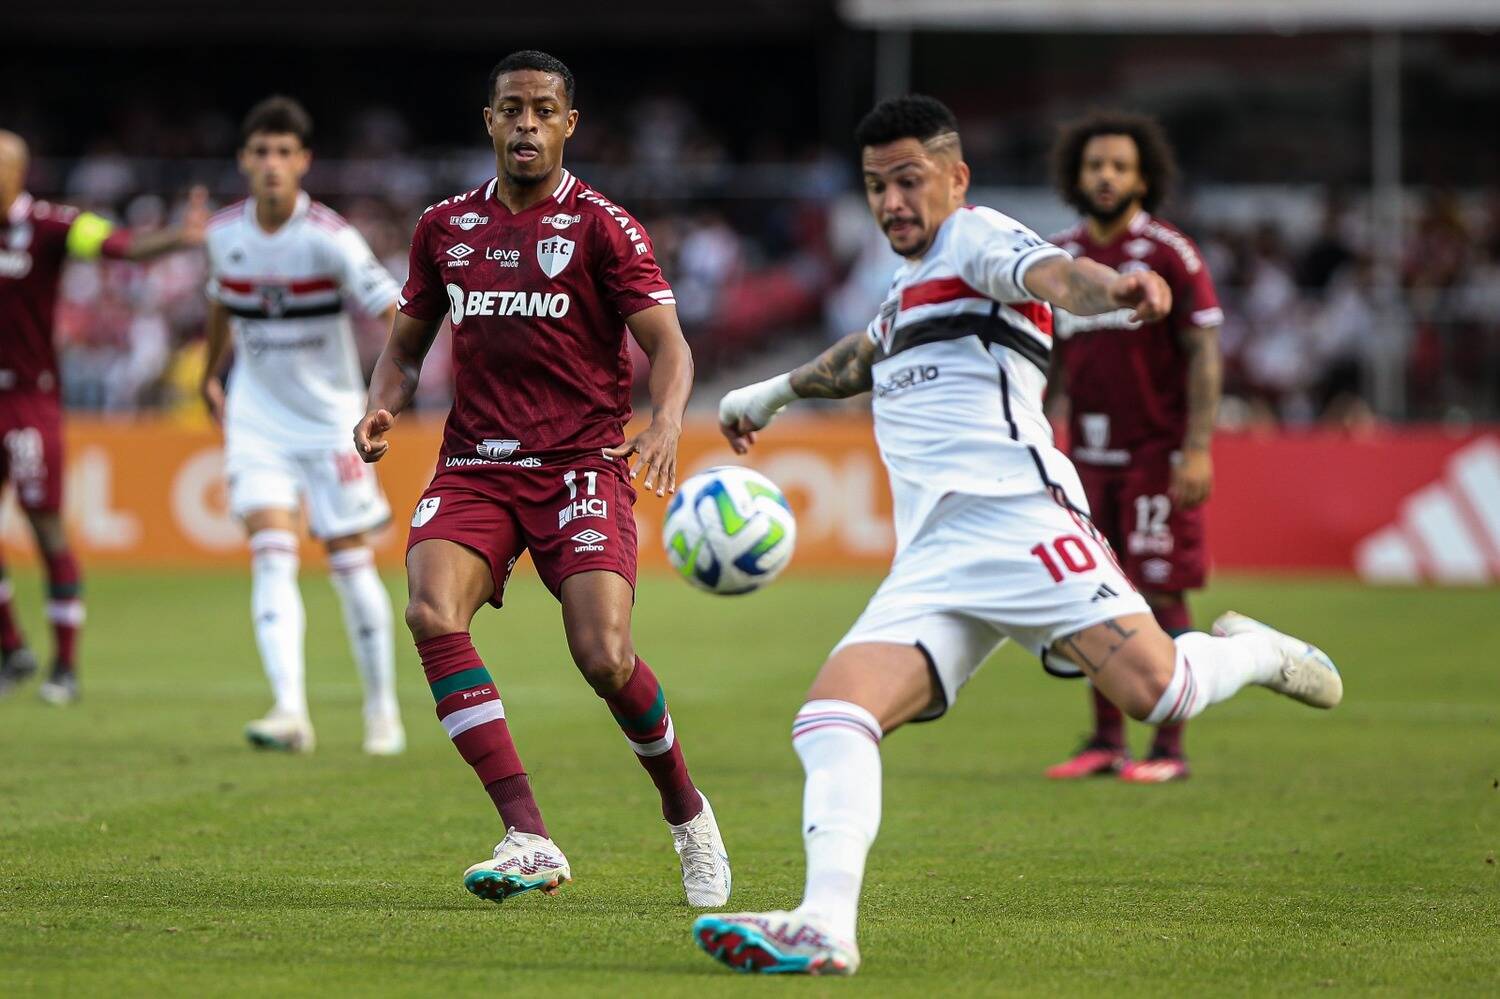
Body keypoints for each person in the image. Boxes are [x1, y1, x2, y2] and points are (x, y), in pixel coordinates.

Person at [696, 95, 1341, 977]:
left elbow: (1057, 276)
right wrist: (768, 394)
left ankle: (1257, 651)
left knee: (1163, 693)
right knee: (832, 716)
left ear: (955, 179)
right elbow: (861, 353)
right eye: (876, 185)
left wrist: (1115, 292)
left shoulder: (978, 238)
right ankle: (824, 923)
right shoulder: (906, 286)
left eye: (910, 180)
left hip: (1021, 523)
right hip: (933, 558)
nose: (892, 202)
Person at [353, 50, 730, 907]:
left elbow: (669, 344)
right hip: (477, 466)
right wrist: (382, 404)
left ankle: (685, 809)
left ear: (569, 124)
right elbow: (404, 349)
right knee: (426, 609)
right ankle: (528, 833)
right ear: (488, 121)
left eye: (542, 111)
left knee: (603, 656)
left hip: (580, 467)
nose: (526, 124)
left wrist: (667, 419)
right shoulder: (444, 226)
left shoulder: (604, 226)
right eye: (511, 109)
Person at [201, 96, 405, 756]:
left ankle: (382, 710)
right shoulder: (224, 234)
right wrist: (211, 369)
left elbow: (396, 310)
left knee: (349, 564)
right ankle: (290, 707)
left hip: (328, 423)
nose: (271, 164)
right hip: (257, 420)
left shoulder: (330, 237)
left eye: (284, 152)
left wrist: (388, 394)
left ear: (304, 162)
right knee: (270, 554)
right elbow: (219, 300)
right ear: (243, 161)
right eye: (260, 152)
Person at [1042, 112, 1224, 784]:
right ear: (1076, 175)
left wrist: (1197, 447)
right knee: (1093, 591)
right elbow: (1046, 358)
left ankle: (1169, 747)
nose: (1107, 176)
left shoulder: (1171, 253)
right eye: (1095, 165)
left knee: (1159, 588)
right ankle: (1106, 740)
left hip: (1157, 453)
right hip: (1086, 459)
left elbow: (1203, 349)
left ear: (1144, 175)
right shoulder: (1061, 262)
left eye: (1120, 165)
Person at [0, 129, 207, 705]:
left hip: (29, 399)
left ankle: (64, 665)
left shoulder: (51, 225)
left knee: (44, 527)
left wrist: (177, 238)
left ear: (18, 173)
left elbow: (122, 246)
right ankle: (13, 650)